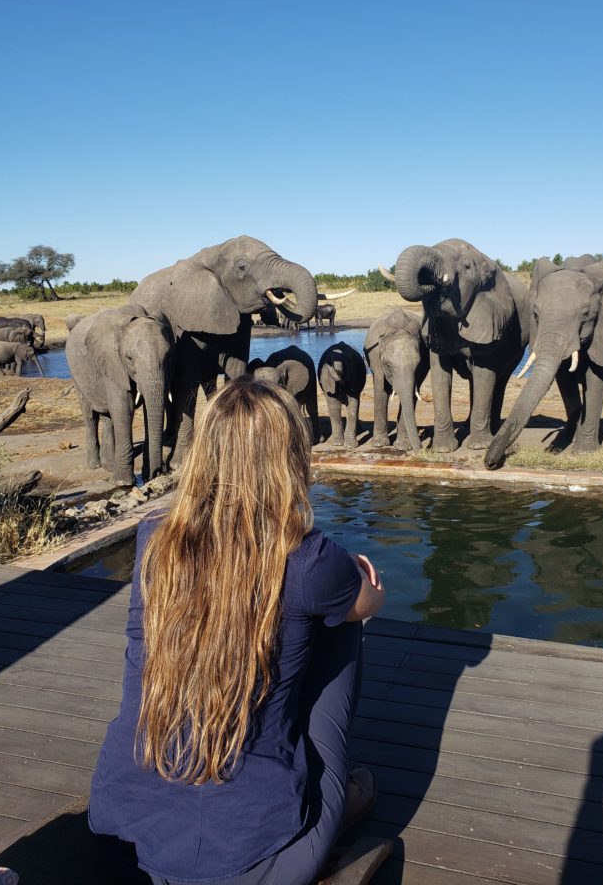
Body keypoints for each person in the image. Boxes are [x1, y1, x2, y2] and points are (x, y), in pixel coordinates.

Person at [89, 376, 386, 885]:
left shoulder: (154, 540)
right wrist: (357, 580)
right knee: (343, 624)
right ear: (290, 457)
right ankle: (330, 796)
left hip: (132, 834)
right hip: (262, 857)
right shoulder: (308, 556)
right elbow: (372, 599)